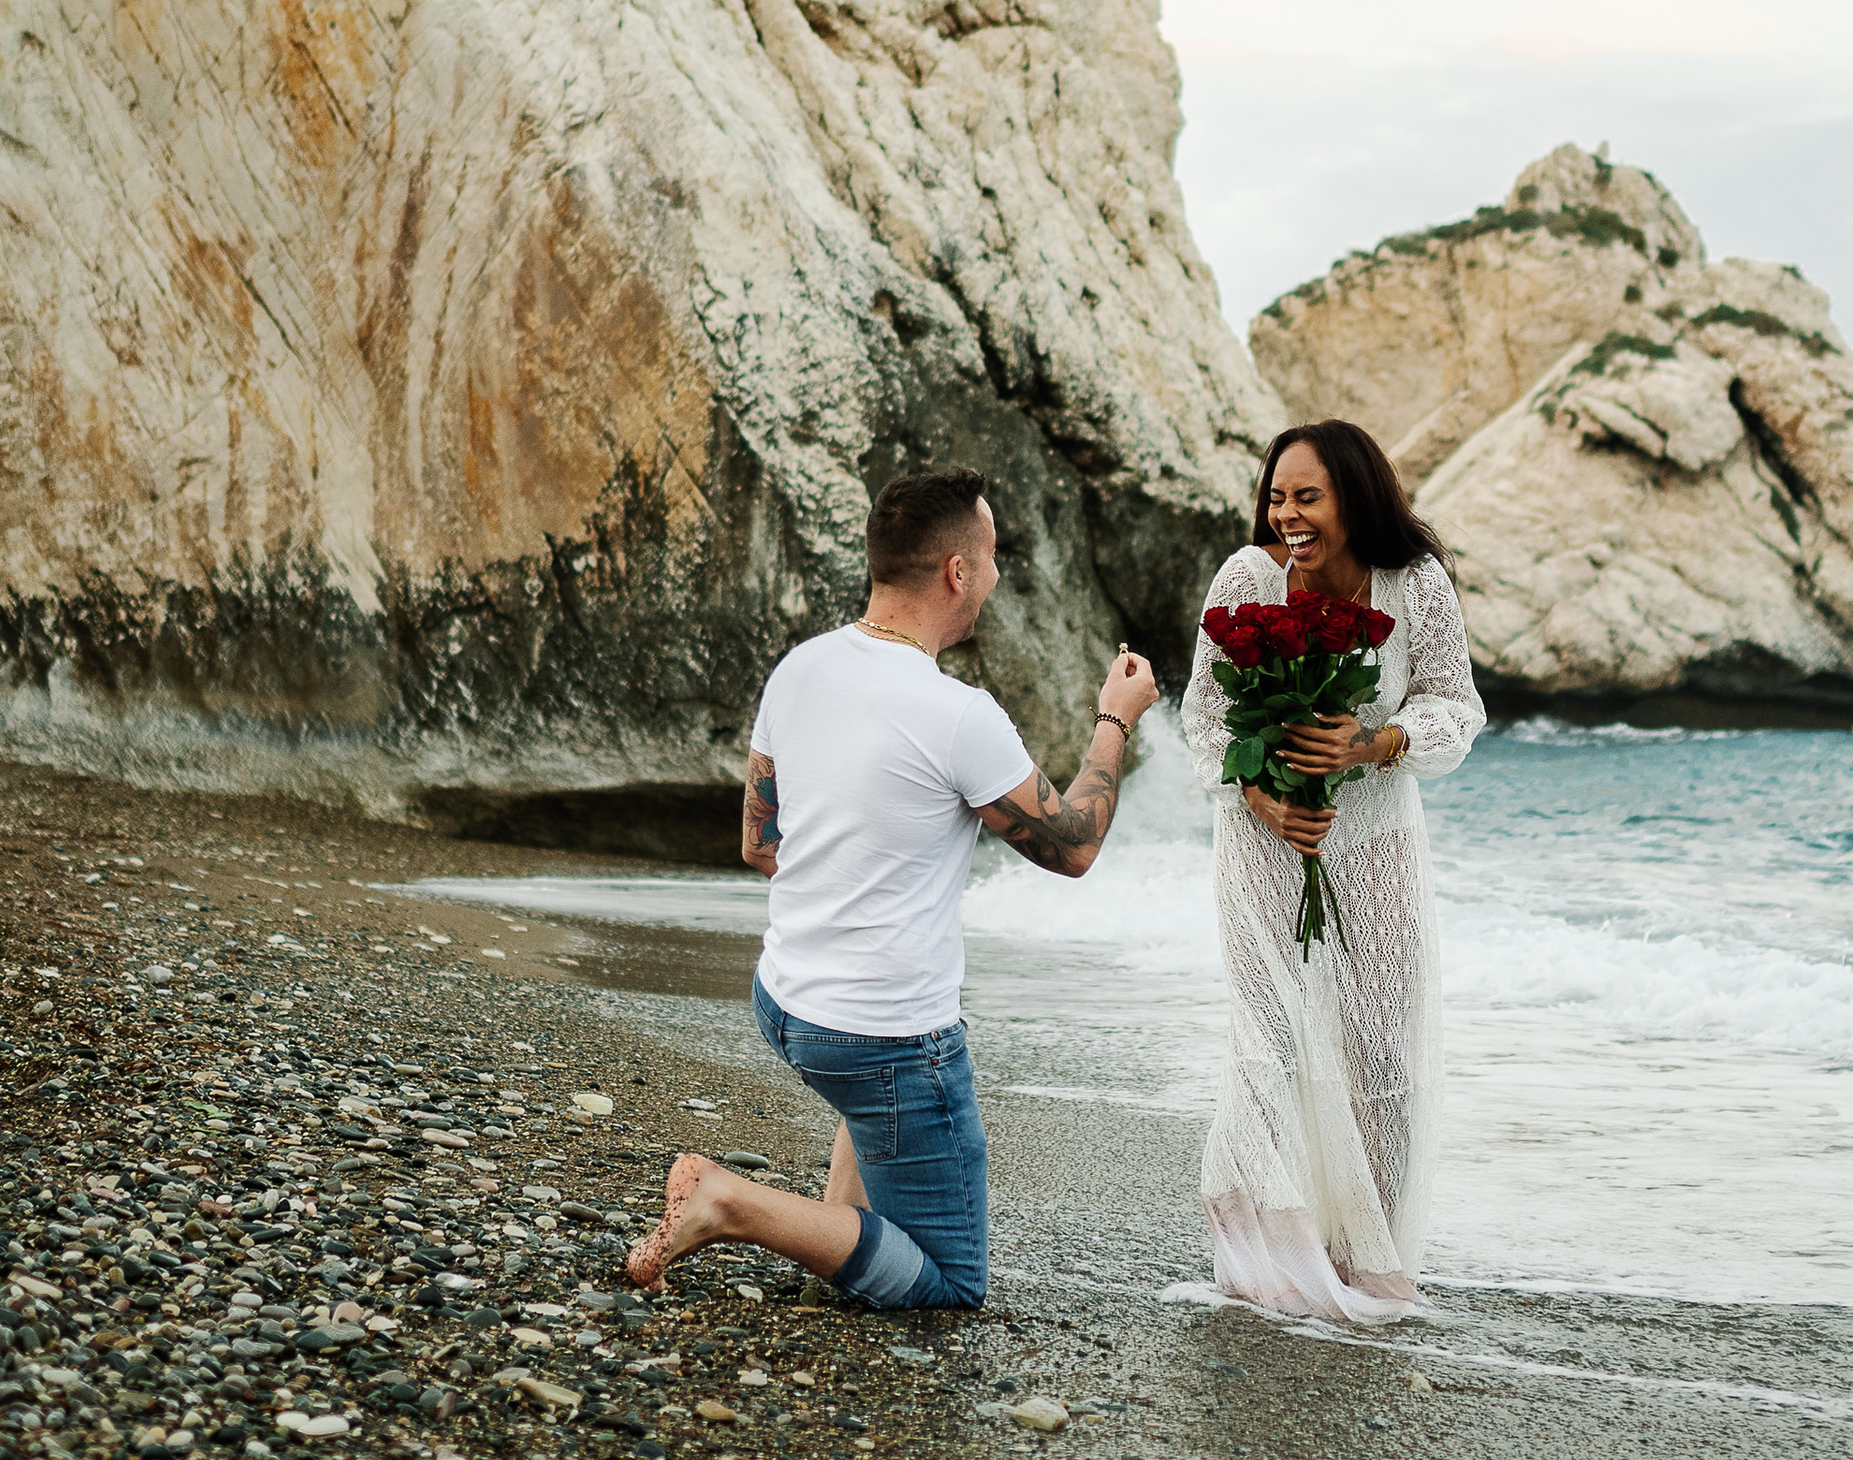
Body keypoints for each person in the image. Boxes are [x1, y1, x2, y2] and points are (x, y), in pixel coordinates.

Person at [626, 467, 1158, 1313]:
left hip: (785, 1002)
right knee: (951, 1284)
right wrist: (1116, 717)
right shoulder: (957, 714)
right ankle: (728, 1202)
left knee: (871, 1108)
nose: (995, 575)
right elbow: (1076, 846)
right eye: (991, 557)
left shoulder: (799, 669)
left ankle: (835, 1238)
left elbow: (760, 845)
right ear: (957, 571)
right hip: (884, 1041)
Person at [1180, 421, 1485, 1324]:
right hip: (1263, 841)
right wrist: (1262, 796)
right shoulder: (1247, 579)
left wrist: (1376, 742)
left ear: (1354, 496)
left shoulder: (1415, 583)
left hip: (1378, 840)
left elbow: (1455, 705)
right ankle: (1264, 1262)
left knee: (1380, 1049)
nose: (1288, 515)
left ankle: (1365, 1256)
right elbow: (1205, 716)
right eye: (1277, 498)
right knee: (1269, 1043)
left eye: (1307, 497)